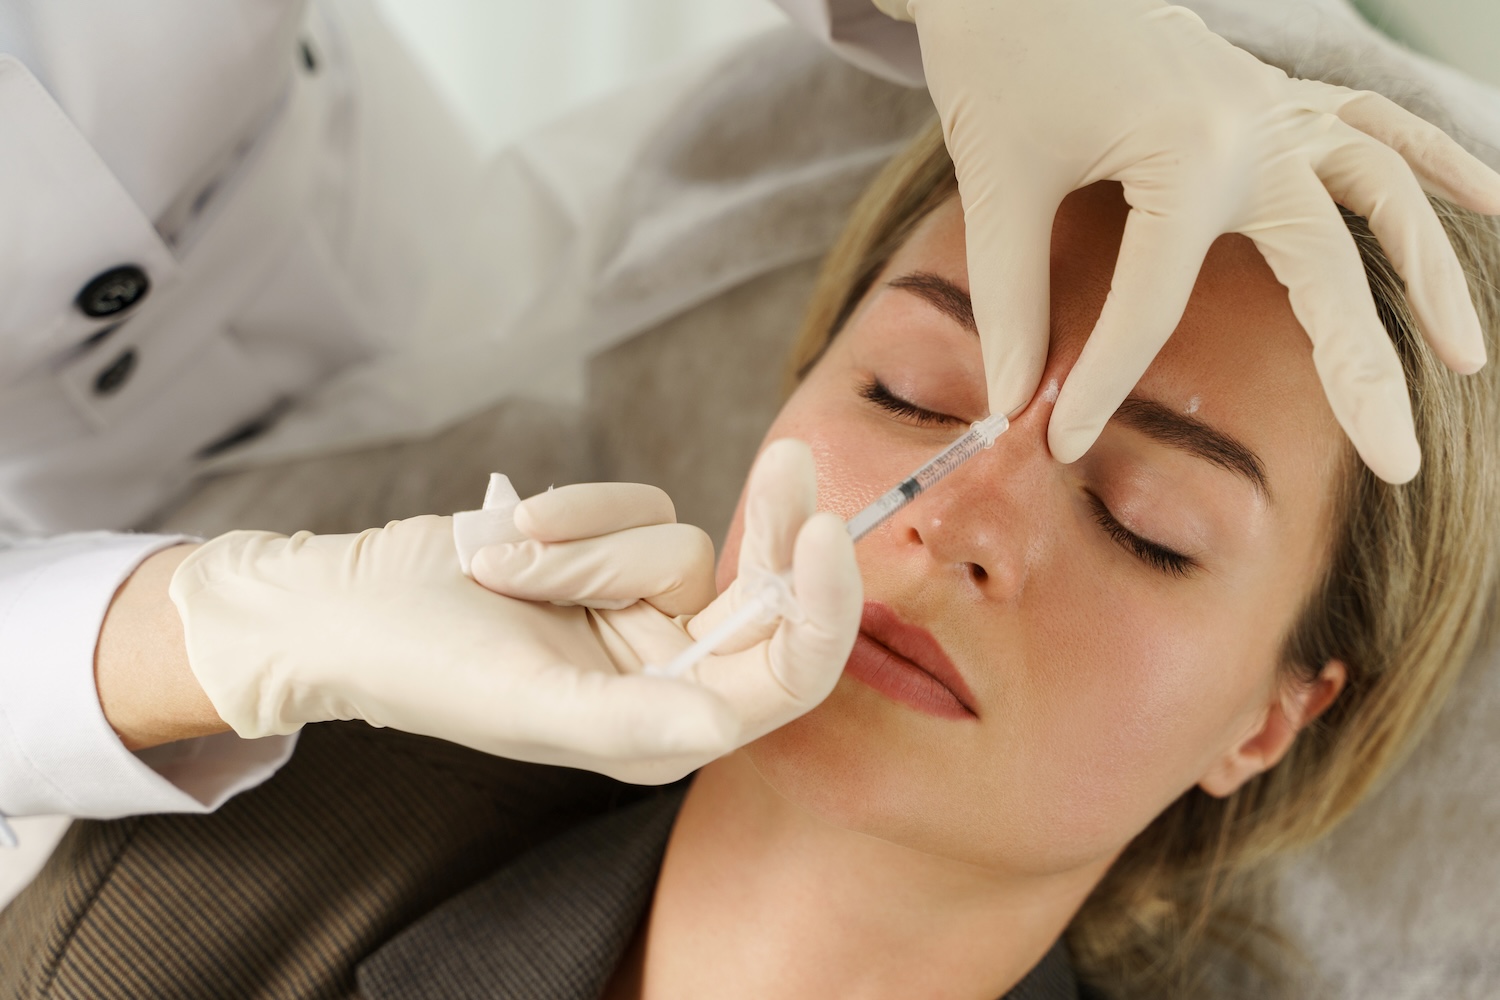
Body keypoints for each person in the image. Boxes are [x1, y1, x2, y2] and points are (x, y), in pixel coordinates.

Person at [4, 86, 1497, 997]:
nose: (949, 516)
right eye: (908, 394)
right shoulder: (218, 884)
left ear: (1271, 719)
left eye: (1145, 523)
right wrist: (217, 630)